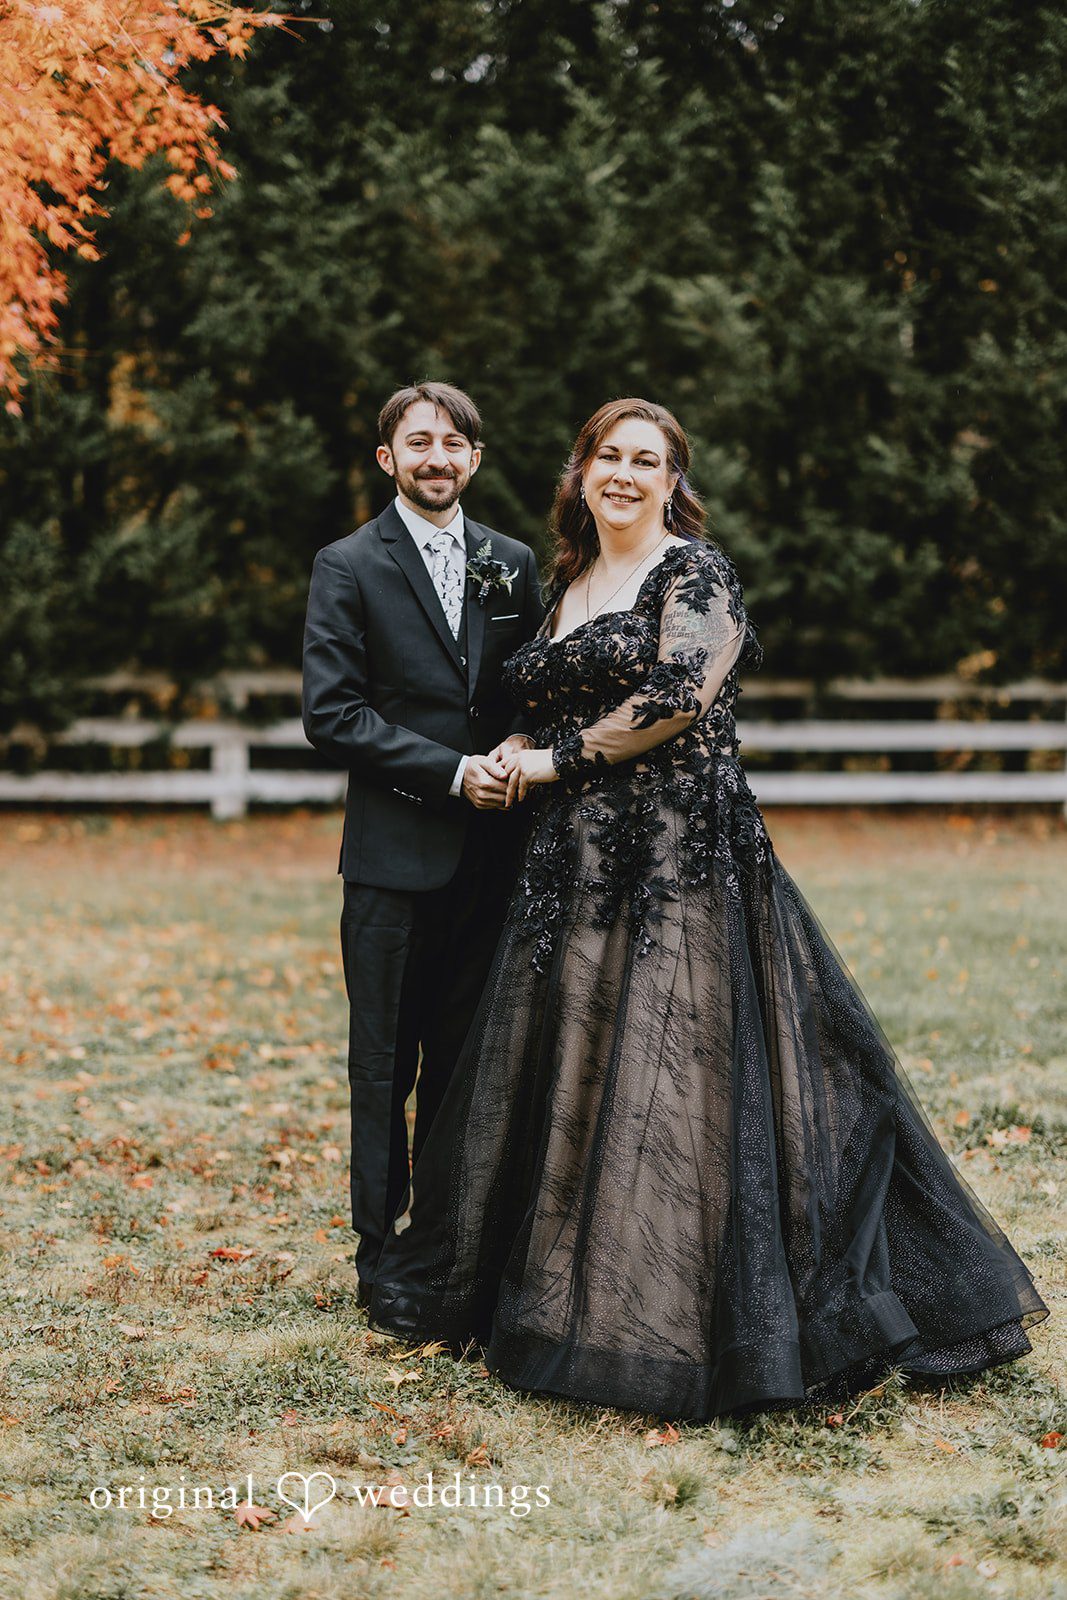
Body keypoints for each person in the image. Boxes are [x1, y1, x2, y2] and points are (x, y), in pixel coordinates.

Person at [366, 396, 1050, 1422]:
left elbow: (680, 692)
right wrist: (515, 748)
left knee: (668, 1090)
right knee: (578, 1079)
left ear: (670, 480)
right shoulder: (564, 583)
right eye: (609, 456)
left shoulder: (692, 572)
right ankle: (555, 1293)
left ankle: (684, 1317)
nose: (626, 475)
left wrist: (549, 759)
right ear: (581, 470)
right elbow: (544, 700)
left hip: (679, 860)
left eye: (648, 460)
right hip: (567, 869)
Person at [301, 381, 543, 1306]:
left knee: (461, 1062)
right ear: (386, 459)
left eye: (453, 442)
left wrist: (519, 741)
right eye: (418, 442)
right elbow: (332, 714)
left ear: (474, 458)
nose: (436, 457)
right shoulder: (348, 565)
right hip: (393, 864)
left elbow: (526, 686)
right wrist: (451, 770)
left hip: (492, 862)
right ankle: (377, 1257)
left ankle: (443, 1243)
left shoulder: (511, 562)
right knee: (382, 1067)